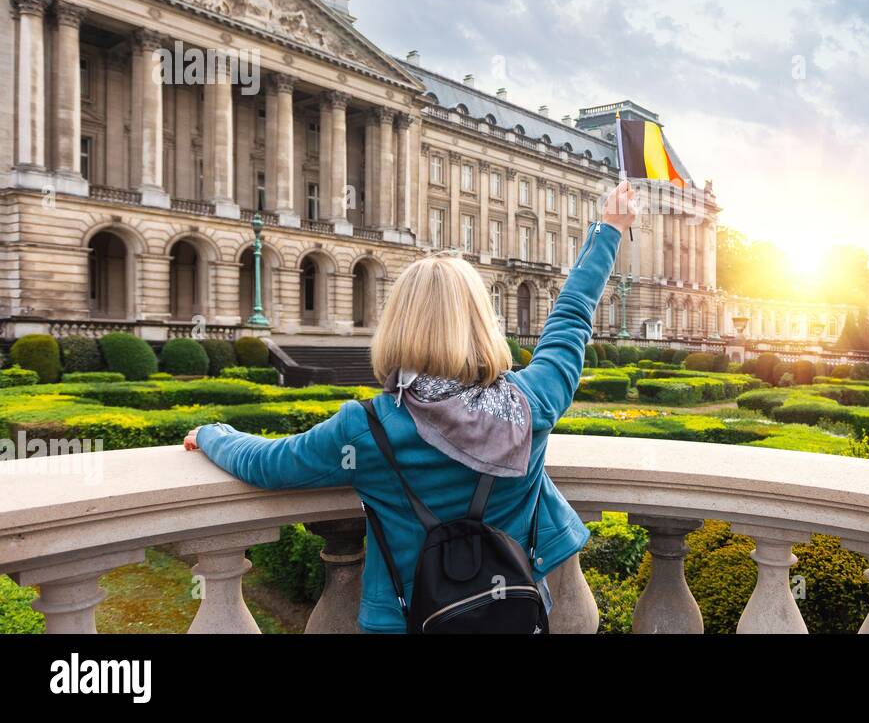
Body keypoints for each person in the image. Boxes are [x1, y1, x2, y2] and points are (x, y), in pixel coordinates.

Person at [184, 181, 640, 632]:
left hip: (404, 621)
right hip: (513, 614)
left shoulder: (365, 427)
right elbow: (572, 314)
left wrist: (211, 435)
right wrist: (609, 228)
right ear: (484, 322)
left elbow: (267, 464)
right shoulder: (531, 401)